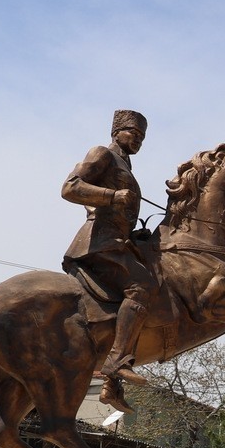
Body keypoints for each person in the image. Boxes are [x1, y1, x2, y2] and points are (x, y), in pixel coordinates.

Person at [62, 109, 163, 414]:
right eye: (134, 133)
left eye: (143, 137)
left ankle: (111, 384)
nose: (139, 141)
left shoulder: (126, 165)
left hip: (118, 241)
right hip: (98, 243)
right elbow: (70, 187)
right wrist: (113, 196)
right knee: (142, 285)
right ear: (117, 130)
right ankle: (117, 364)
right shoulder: (102, 154)